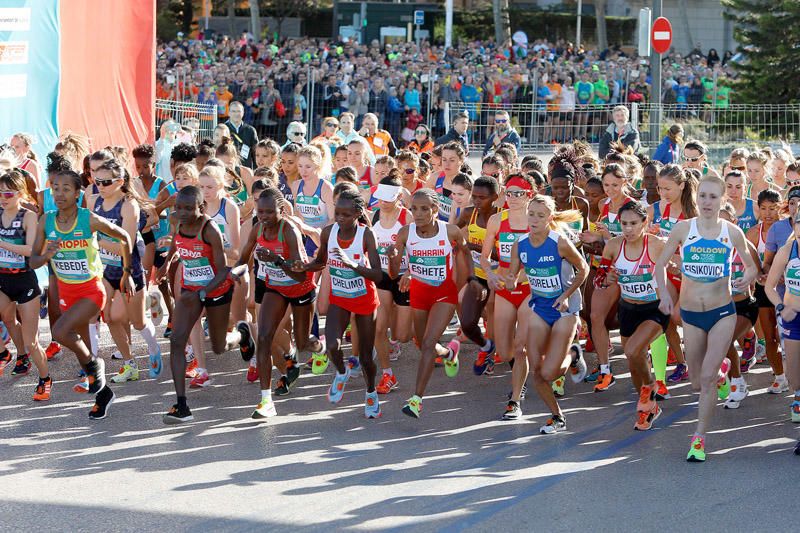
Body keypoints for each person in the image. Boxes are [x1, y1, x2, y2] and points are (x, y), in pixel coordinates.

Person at [655, 174, 758, 462]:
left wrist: (744, 281)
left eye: (714, 197)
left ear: (723, 200)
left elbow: (751, 267)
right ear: (696, 198)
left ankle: (698, 439)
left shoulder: (731, 232)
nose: (708, 202)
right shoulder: (683, 229)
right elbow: (659, 265)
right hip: (690, 314)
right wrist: (664, 295)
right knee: (697, 383)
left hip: (722, 312)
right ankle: (722, 370)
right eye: (703, 196)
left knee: (708, 378)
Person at [30, 169, 135, 419]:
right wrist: (47, 255)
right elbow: (33, 261)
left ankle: (95, 367)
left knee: (60, 332)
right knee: (82, 348)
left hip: (91, 289)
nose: (59, 193)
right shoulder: (46, 220)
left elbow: (125, 238)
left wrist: (127, 272)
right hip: (67, 291)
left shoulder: (88, 219)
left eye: (66, 189)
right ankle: (103, 394)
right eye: (55, 188)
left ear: (77, 193)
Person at [291, 189, 384, 418]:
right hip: (340, 298)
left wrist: (352, 264)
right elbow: (321, 262)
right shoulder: (328, 232)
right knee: (332, 345)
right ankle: (341, 373)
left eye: (345, 215)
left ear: (357, 214)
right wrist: (304, 266)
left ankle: (371, 392)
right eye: (337, 213)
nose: (340, 218)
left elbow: (378, 274)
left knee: (364, 358)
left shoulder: (366, 235)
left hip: (364, 300)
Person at [504, 194, 589, 434]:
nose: (534, 219)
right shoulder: (520, 244)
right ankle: (557, 417)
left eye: (541, 216)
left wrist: (565, 295)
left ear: (550, 218)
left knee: (552, 372)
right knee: (538, 373)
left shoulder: (559, 242)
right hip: (540, 308)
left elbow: (584, 268)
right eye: (531, 214)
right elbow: (513, 276)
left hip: (564, 310)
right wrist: (509, 281)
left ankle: (572, 354)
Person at [388, 189, 472, 418]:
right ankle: (447, 353)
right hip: (419, 294)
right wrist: (393, 257)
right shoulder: (406, 233)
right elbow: (394, 273)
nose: (418, 213)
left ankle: (416, 399)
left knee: (426, 343)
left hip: (444, 295)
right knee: (420, 340)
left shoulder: (450, 231)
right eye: (414, 208)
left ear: (435, 209)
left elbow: (465, 252)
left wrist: (470, 280)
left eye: (425, 208)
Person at [157, 186, 237, 423]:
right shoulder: (177, 219)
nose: (181, 212)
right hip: (191, 290)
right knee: (176, 340)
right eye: (178, 207)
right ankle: (181, 405)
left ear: (201, 209)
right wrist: (166, 264)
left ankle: (241, 335)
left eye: (188, 208)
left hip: (217, 289)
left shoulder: (209, 229)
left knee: (220, 345)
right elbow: (177, 243)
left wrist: (203, 291)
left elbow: (224, 270)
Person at [233, 188, 316, 418]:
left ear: (282, 210)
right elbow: (243, 259)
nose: (264, 216)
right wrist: (233, 274)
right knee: (263, 337)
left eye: (270, 212)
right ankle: (266, 401)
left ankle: (319, 347)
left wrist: (278, 260)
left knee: (302, 342)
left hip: (300, 288)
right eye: (261, 212)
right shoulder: (257, 228)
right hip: (275, 288)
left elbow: (301, 274)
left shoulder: (289, 231)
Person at [596, 201, 669, 429]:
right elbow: (600, 279)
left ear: (644, 223)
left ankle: (651, 385)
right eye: (624, 224)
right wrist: (607, 278)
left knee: (632, 350)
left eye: (634, 224)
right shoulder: (613, 246)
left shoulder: (655, 245)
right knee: (633, 361)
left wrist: (666, 295)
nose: (628, 229)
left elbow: (667, 270)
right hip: (628, 308)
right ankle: (648, 408)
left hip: (654, 308)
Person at [92, 159, 163, 384]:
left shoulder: (128, 205)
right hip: (105, 270)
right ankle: (129, 363)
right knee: (111, 317)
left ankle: (154, 349)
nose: (100, 186)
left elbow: (127, 244)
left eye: (105, 182)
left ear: (120, 182)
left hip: (128, 271)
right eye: (97, 182)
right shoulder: (95, 203)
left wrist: (95, 242)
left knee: (138, 321)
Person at [0, 170, 48, 400]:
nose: (2, 198)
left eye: (7, 194)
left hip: (25, 280)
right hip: (2, 278)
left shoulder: (27, 216)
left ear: (19, 193)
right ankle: (10, 354)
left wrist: (3, 243)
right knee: (7, 319)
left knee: (32, 340)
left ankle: (45, 378)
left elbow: (31, 250)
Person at [371, 176, 412, 394]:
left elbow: (418, 247)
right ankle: (387, 374)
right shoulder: (374, 215)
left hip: (404, 276)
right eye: (380, 198)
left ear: (398, 197)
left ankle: (414, 334)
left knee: (403, 335)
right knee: (379, 327)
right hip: (383, 276)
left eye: (388, 198)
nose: (382, 202)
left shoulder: (407, 217)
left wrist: (411, 273)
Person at [764, 209, 800, 455]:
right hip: (793, 318)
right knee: (795, 379)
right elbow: (769, 286)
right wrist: (780, 306)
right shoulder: (787, 251)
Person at [456, 176, 501, 374]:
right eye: (474, 196)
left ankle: (489, 356)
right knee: (467, 324)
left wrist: (477, 246)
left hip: (499, 275)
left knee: (492, 312)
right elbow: (453, 234)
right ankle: (486, 345)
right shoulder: (468, 214)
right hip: (477, 274)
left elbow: (508, 253)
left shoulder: (502, 217)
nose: (476, 201)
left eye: (481, 198)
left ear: (495, 197)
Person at [224, 101, 259, 169]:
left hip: (245, 170)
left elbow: (256, 153)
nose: (236, 114)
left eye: (239, 111)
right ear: (229, 113)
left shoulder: (251, 130)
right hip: (227, 170)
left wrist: (256, 170)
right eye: (233, 111)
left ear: (243, 113)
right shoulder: (223, 129)